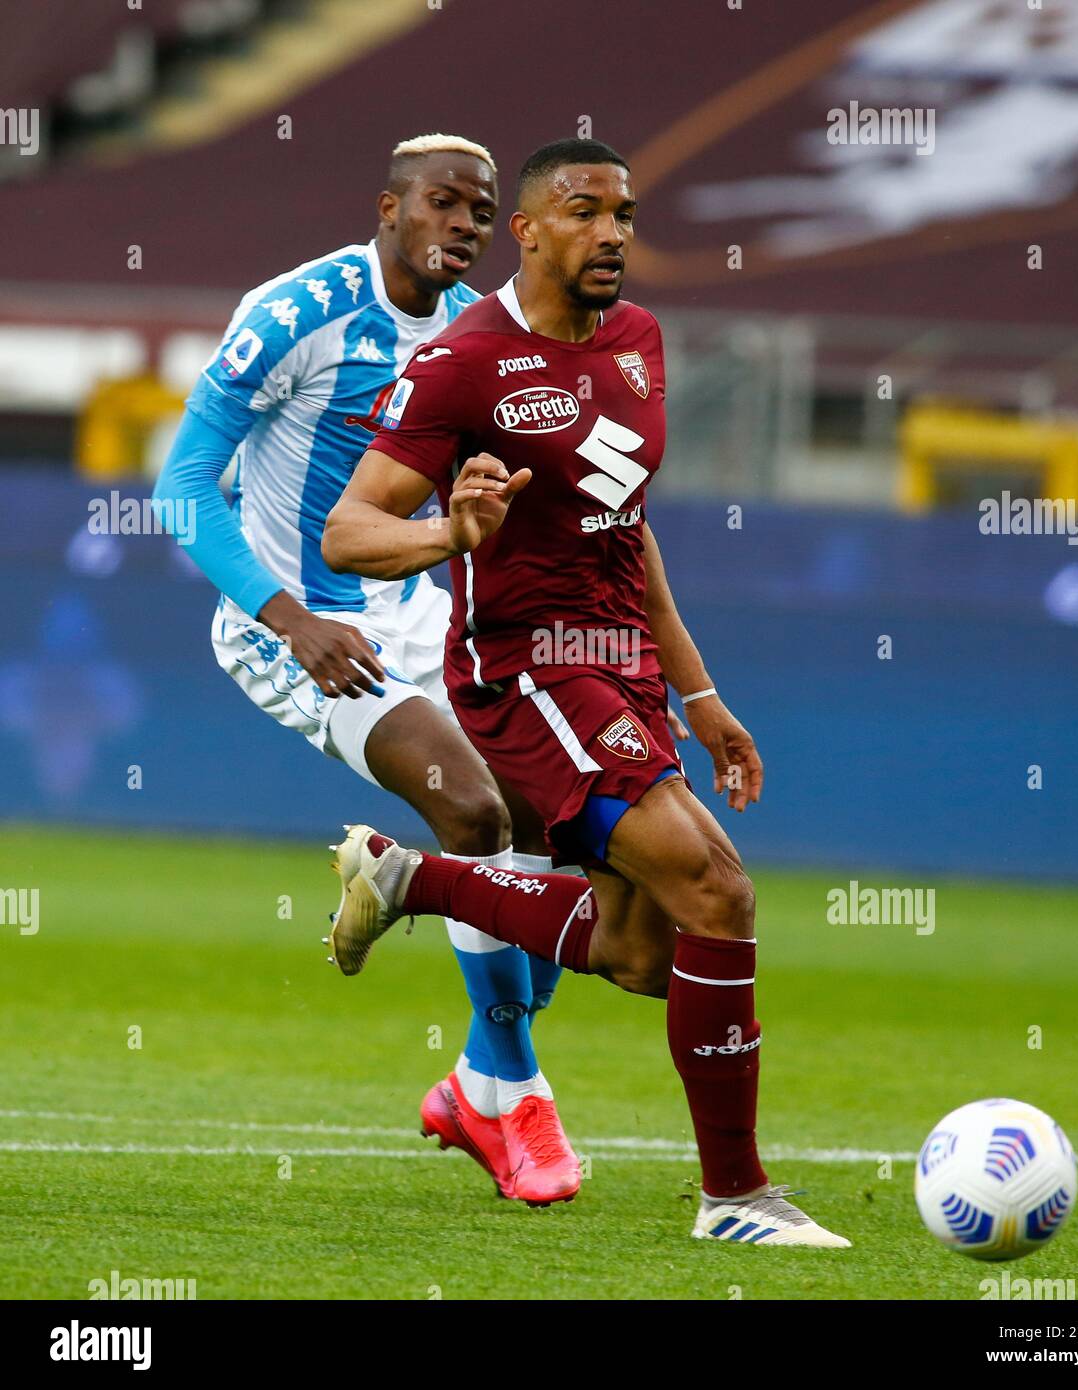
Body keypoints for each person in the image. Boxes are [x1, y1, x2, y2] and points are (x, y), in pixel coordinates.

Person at [321, 137, 851, 1248]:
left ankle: (414, 880)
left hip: (628, 671)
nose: (610, 232)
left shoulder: (640, 343)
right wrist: (447, 534)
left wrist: (700, 695)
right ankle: (736, 1198)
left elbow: (628, 525)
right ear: (525, 230)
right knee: (720, 893)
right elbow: (348, 528)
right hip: (528, 671)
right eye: (582, 211)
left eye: (621, 212)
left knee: (641, 953)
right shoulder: (466, 360)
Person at [151, 134, 580, 1206]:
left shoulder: (484, 339)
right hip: (292, 626)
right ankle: (515, 1103)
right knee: (475, 818)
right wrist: (286, 616)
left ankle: (473, 1066)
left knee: (558, 827)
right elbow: (182, 487)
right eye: (443, 203)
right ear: (388, 207)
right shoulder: (299, 313)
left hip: (421, 611)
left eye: (481, 211)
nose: (464, 226)